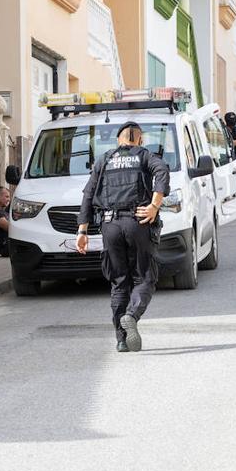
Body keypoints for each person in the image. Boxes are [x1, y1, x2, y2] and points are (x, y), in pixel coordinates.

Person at [75, 121, 170, 352]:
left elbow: (88, 194)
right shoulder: (144, 156)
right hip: (137, 222)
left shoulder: (104, 159)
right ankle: (132, 315)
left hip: (109, 226)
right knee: (144, 278)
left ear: (118, 140)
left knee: (119, 283)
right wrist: (154, 206)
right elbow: (162, 172)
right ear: (139, 139)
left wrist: (82, 230)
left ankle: (121, 340)